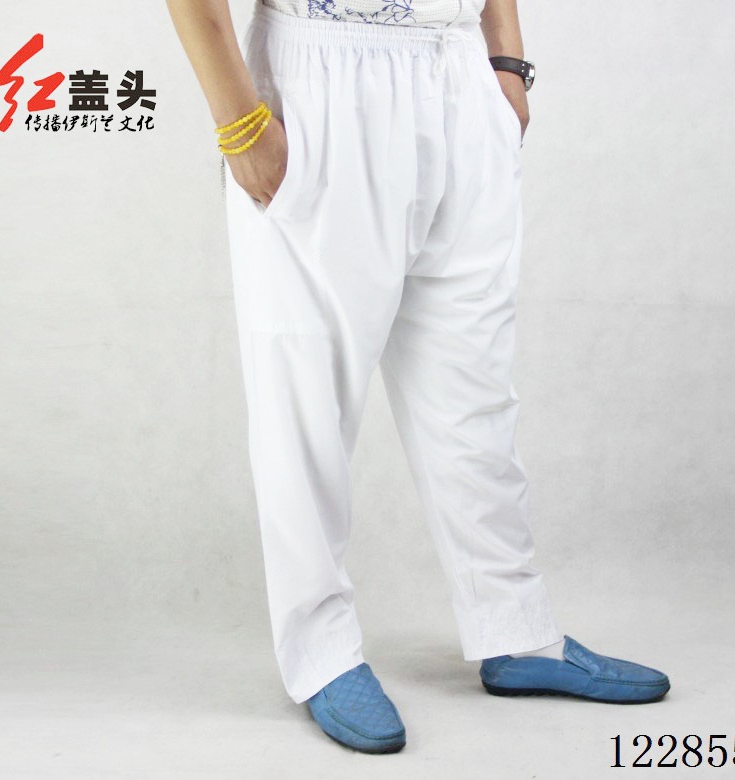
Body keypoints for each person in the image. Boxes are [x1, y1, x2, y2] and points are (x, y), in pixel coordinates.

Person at [165, 0, 671, 754]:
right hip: (321, 75)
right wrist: (240, 123)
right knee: (307, 393)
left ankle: (515, 630)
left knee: (474, 385)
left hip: (460, 70)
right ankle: (321, 651)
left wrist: (505, 63)